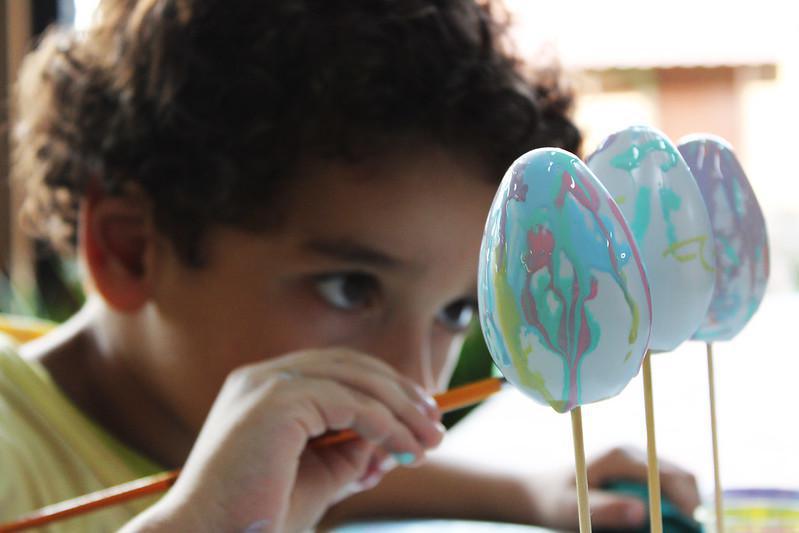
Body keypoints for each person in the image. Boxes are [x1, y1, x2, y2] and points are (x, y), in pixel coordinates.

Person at [1, 0, 700, 531]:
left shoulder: (200, 422)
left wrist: (530, 492)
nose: (417, 380)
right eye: (350, 288)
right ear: (130, 249)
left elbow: (325, 475)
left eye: (456, 310)